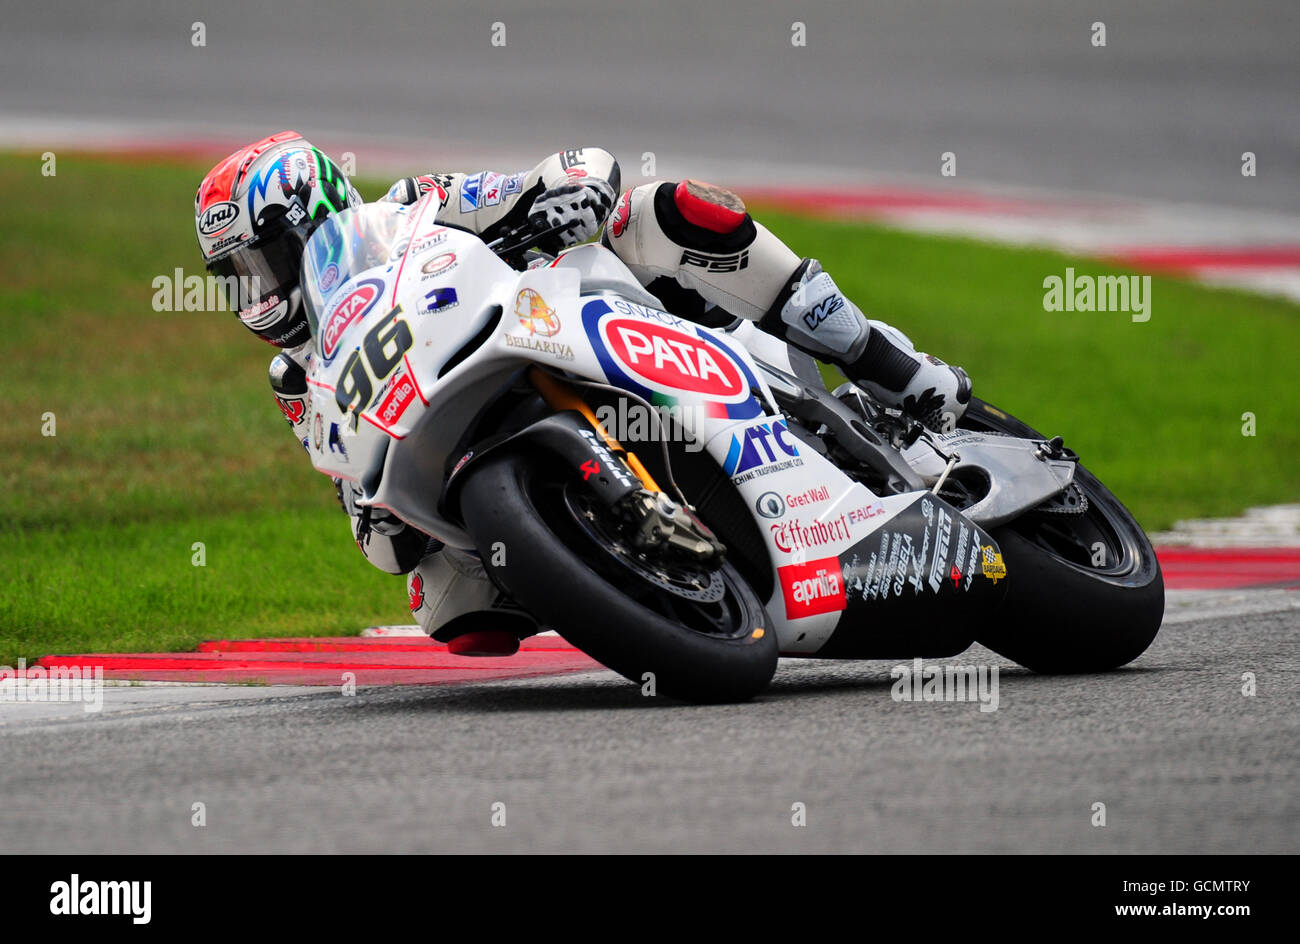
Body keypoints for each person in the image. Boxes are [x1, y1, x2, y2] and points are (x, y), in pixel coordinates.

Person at [194, 131, 971, 642]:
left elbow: (570, 169)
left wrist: (564, 195)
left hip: (558, 320)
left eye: (262, 264)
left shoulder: (410, 207)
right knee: (451, 613)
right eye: (236, 280)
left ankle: (897, 372)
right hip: (457, 428)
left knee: (663, 213)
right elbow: (364, 517)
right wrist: (375, 518)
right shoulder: (297, 379)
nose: (255, 296)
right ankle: (615, 570)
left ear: (312, 219)